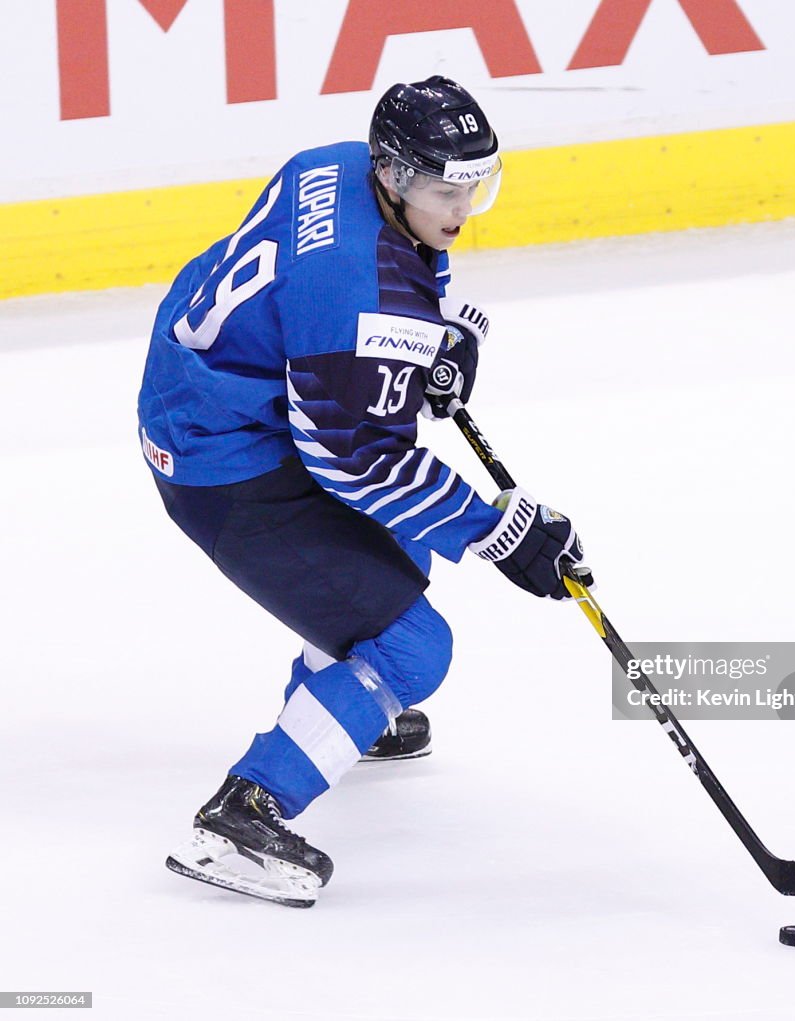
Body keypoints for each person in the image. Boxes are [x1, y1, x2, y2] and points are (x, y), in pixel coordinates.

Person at [137, 76, 591, 908]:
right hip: (224, 461)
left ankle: (337, 710)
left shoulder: (336, 164)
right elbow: (355, 462)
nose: (458, 207)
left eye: (473, 184)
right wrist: (501, 530)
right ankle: (246, 810)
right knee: (417, 647)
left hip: (208, 393)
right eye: (440, 187)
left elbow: (369, 288)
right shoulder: (359, 299)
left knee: (394, 553)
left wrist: (437, 339)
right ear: (393, 173)